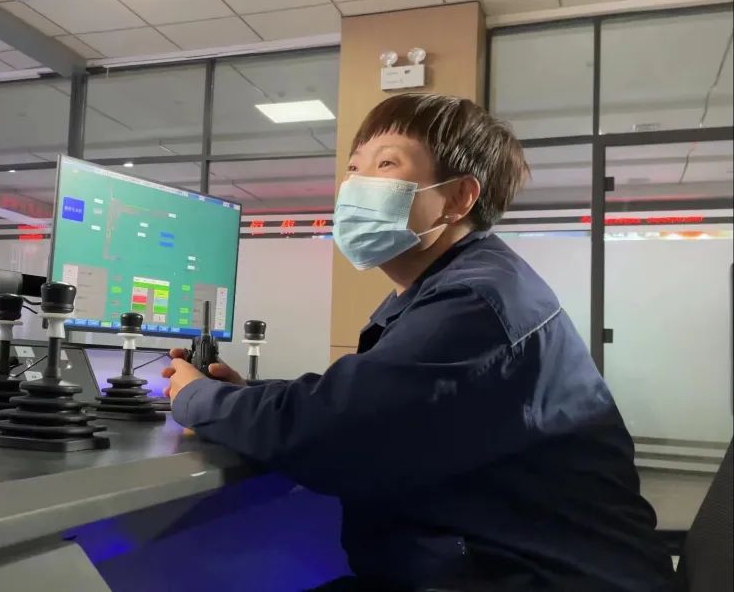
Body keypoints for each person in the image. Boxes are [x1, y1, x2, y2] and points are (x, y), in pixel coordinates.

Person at [163, 94, 674, 591]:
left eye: (385, 163)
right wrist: (248, 396)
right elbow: (382, 401)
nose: (355, 185)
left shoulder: (477, 300)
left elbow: (336, 433)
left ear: (458, 198)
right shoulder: (455, 286)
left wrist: (196, 396)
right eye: (354, 167)